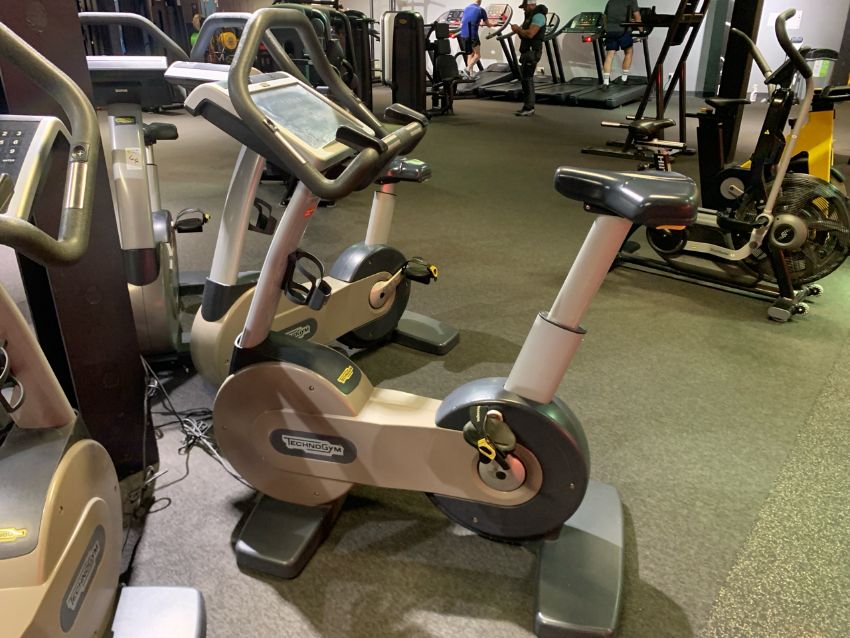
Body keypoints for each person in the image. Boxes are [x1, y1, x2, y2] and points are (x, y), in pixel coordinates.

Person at [510, 0, 547, 116]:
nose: (523, 9)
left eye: (524, 6)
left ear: (531, 5)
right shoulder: (530, 17)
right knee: (525, 78)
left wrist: (518, 29)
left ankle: (529, 107)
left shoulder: (538, 16)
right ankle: (528, 106)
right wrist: (518, 31)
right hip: (527, 51)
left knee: (527, 78)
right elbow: (525, 35)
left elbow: (530, 34)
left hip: (532, 52)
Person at [602, 0, 641, 87]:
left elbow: (605, 16)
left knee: (610, 55)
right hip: (624, 30)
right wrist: (641, 30)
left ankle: (606, 81)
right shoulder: (632, 0)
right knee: (628, 52)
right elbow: (637, 17)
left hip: (611, 31)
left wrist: (607, 28)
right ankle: (624, 78)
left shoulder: (611, 1)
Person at [459, 0, 496, 79]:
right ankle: (467, 69)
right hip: (473, 35)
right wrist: (493, 24)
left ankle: (470, 75)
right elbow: (488, 25)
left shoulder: (467, 8)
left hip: (463, 34)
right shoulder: (481, 10)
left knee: (470, 54)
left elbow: (466, 20)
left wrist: (479, 22)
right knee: (477, 55)